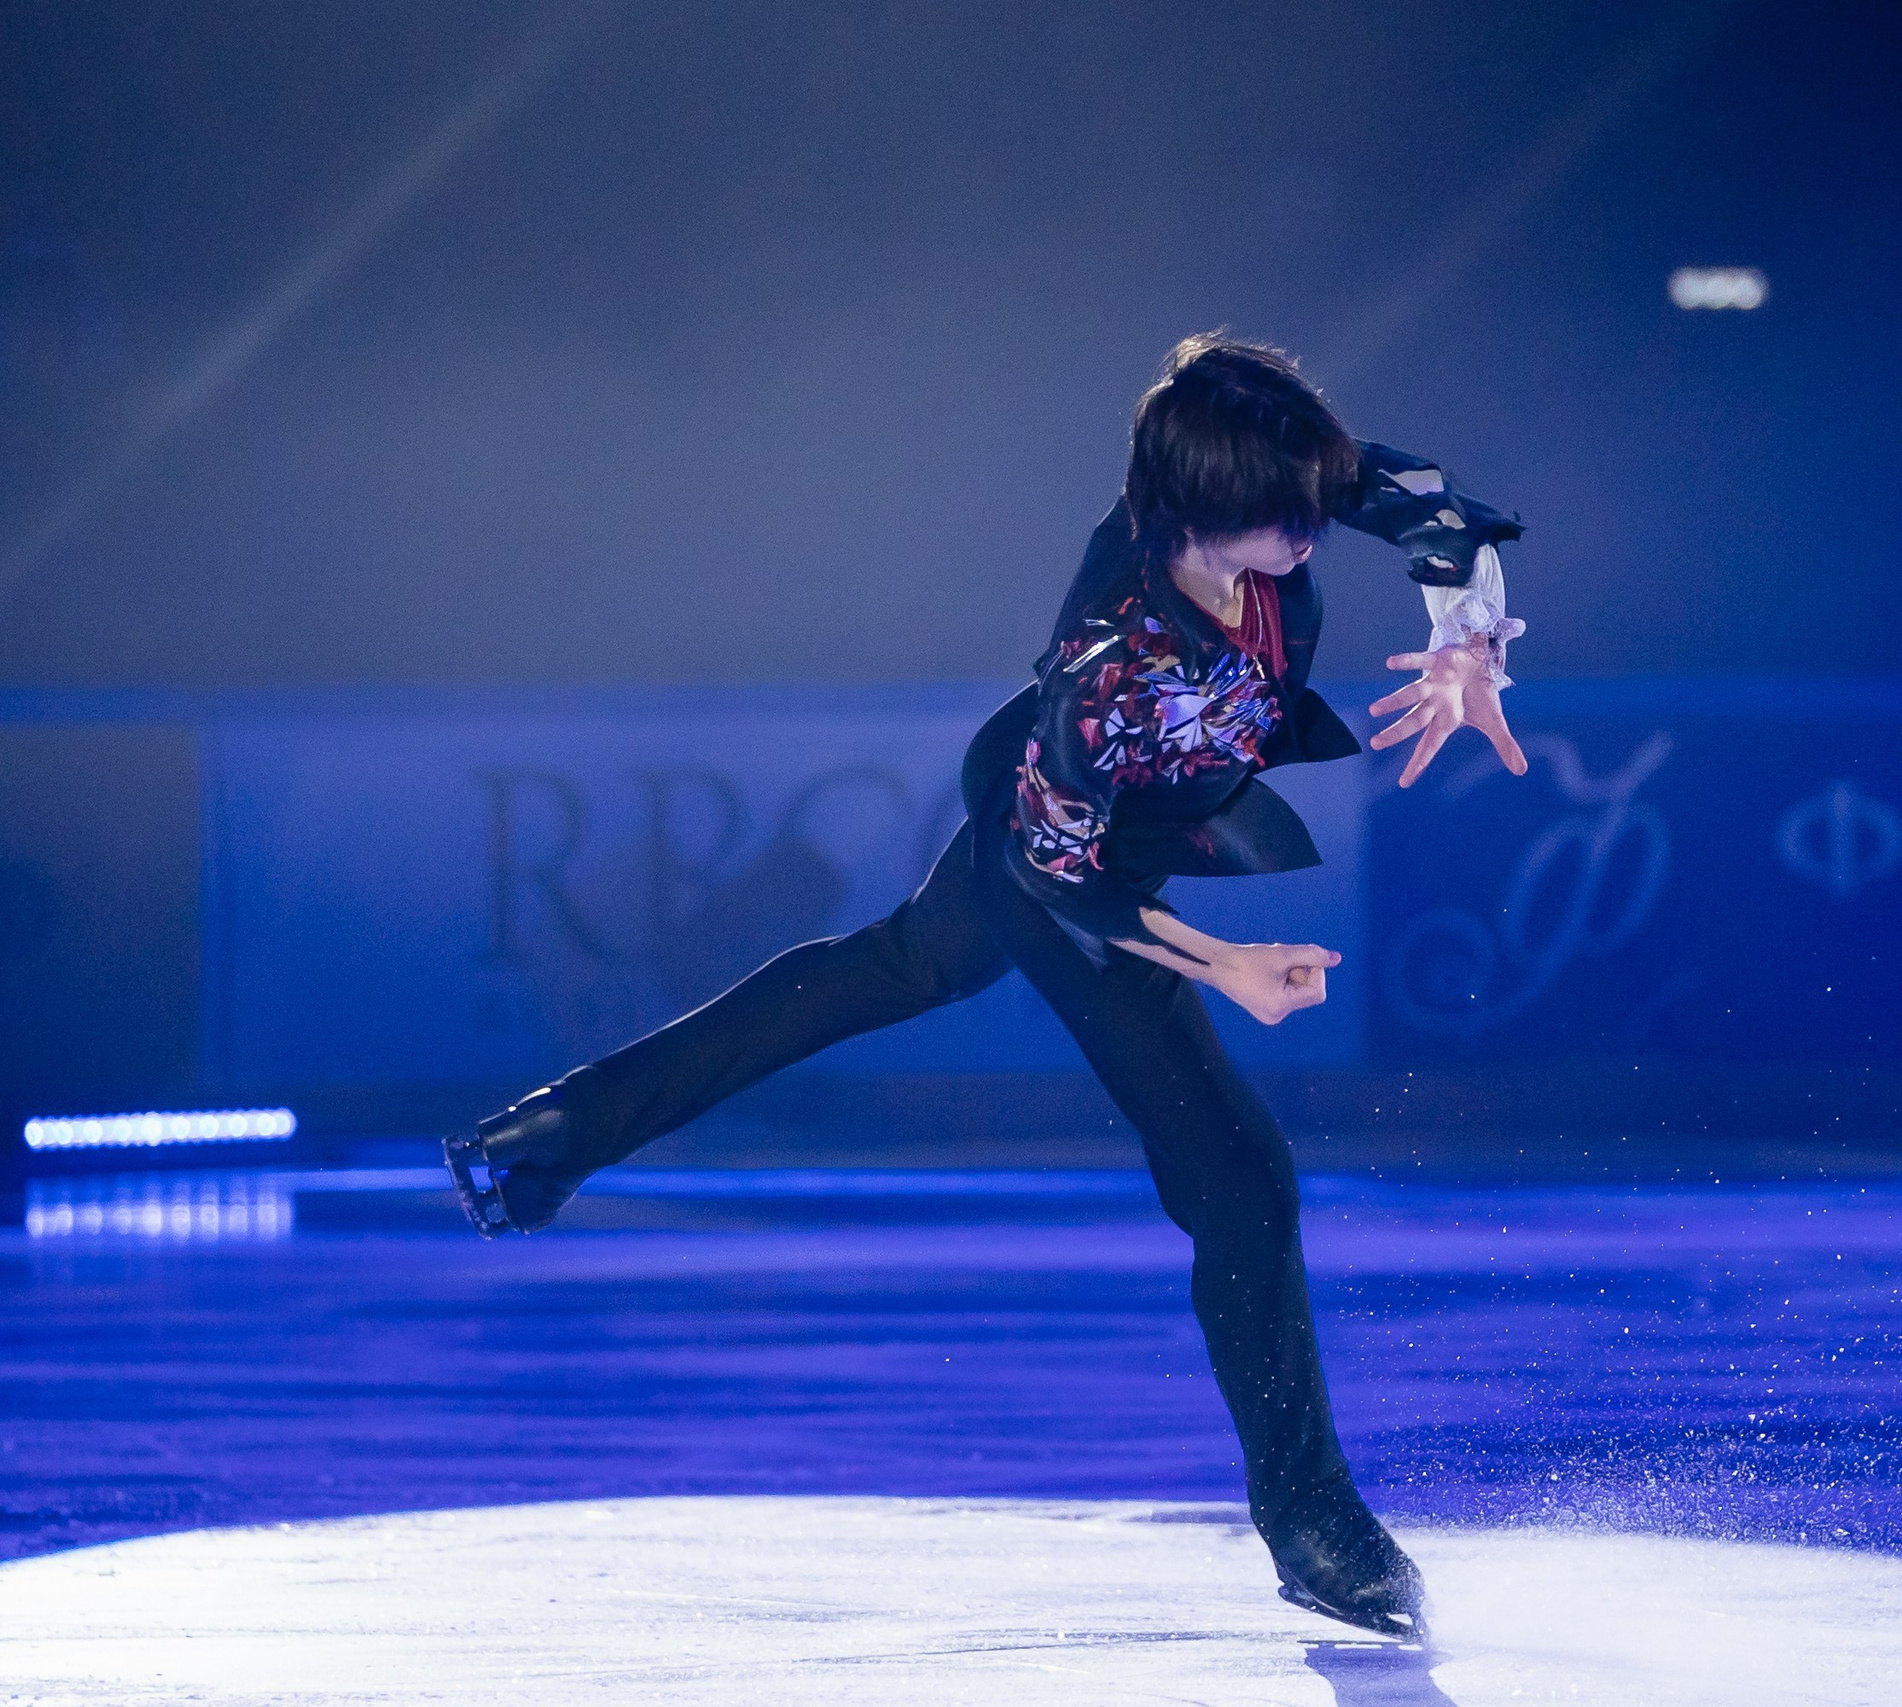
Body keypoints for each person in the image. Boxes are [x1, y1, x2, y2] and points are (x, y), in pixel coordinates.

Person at [442, 333, 1528, 1638]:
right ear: (1192, 514)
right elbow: (1064, 883)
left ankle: (563, 1127)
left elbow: (1443, 519)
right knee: (1237, 1175)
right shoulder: (1111, 660)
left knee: (892, 966)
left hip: (1126, 823)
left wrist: (1469, 641)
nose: (1310, 534)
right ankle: (1312, 1523)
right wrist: (1224, 964)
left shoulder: (1275, 487)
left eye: (1312, 505)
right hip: (1049, 846)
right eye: (1283, 520)